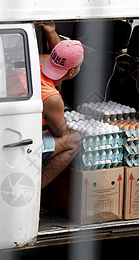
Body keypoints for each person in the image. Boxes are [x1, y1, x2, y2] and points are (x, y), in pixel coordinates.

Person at [39, 23, 84, 189]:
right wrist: (63, 116)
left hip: (6, 131)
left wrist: (51, 31)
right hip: (23, 142)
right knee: (73, 140)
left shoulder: (33, 62)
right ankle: (35, 193)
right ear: (71, 72)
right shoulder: (52, 98)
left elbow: (55, 56)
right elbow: (60, 132)